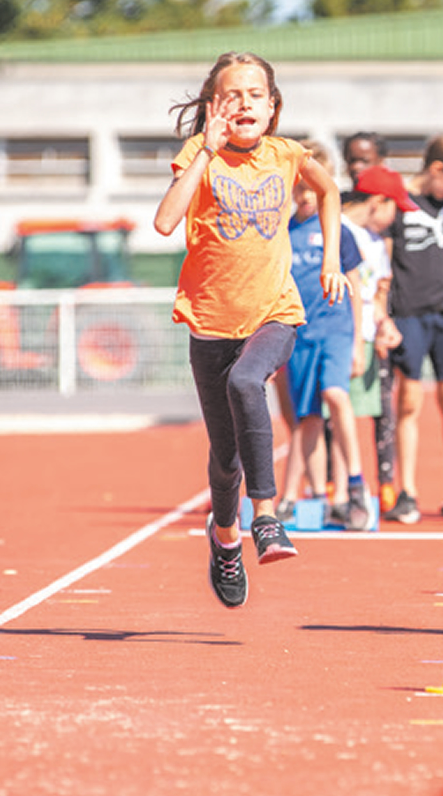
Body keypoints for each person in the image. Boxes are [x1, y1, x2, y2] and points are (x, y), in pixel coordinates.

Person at [154, 51, 348, 609]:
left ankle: (266, 516)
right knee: (223, 458)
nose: (244, 103)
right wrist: (206, 152)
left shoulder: (288, 155)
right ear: (215, 107)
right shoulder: (200, 155)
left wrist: (332, 260)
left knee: (247, 384)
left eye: (254, 94)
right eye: (231, 95)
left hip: (275, 312)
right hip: (210, 321)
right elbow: (166, 221)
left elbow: (331, 191)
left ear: (272, 107)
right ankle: (225, 540)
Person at [375, 134, 443, 525]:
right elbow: (386, 261)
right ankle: (408, 492)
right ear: (437, 170)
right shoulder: (399, 203)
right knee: (409, 402)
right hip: (409, 313)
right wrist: (384, 315)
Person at [279, 140, 371, 531]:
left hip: (336, 330)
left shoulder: (337, 232)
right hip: (299, 335)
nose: (303, 196)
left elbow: (356, 286)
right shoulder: (283, 232)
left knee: (336, 395)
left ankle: (355, 483)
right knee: (308, 417)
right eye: (297, 187)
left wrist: (359, 342)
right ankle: (305, 495)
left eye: (309, 188)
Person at [341, 133, 402, 512]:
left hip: (365, 337)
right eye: (396, 208)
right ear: (379, 202)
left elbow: (376, 293)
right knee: (330, 414)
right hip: (338, 336)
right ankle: (336, 489)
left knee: (377, 410)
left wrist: (384, 323)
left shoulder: (377, 242)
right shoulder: (340, 230)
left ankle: (381, 486)